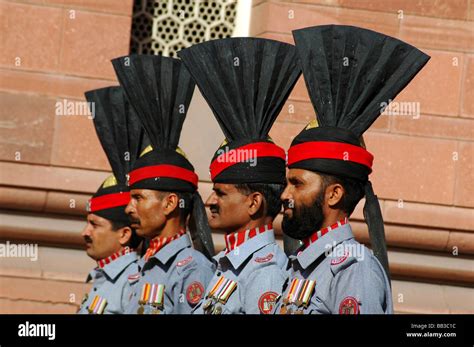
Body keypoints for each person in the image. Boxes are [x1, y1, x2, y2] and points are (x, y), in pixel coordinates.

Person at [276, 25, 430, 314]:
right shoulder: (302, 262)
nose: (285, 194)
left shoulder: (353, 268)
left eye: (297, 183)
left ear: (334, 194)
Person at [178, 37, 301, 314]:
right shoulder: (227, 263)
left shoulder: (265, 274)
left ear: (254, 202)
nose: (210, 201)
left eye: (221, 192)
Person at [112, 54, 215, 314]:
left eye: (138, 198)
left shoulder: (191, 268)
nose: (128, 208)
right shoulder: (142, 263)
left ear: (170, 203)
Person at [77, 86, 144, 314]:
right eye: (88, 223)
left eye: (95, 224)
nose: (85, 232)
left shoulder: (134, 281)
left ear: (124, 234)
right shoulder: (104, 276)